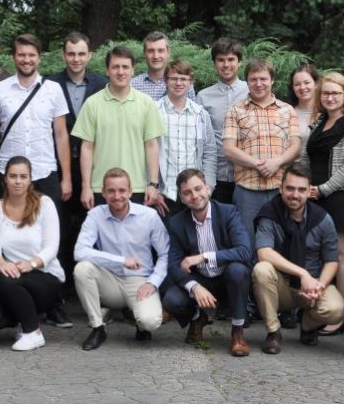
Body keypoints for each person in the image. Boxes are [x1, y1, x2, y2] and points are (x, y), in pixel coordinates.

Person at [0, 157, 66, 350]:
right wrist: (1, 263)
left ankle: (33, 332)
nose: (18, 181)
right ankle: (24, 318)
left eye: (23, 176)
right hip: (11, 276)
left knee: (6, 280)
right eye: (13, 176)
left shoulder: (44, 203)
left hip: (44, 275)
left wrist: (31, 264)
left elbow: (52, 246)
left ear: (30, 179)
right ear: (5, 179)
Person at [300, 71, 344, 334]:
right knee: (316, 252)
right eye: (326, 93)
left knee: (340, 254)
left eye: (335, 93)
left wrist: (323, 189)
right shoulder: (319, 121)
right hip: (314, 196)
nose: (330, 98)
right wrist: (305, 186)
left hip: (339, 196)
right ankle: (317, 306)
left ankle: (340, 315)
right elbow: (308, 158)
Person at [252, 163, 344, 354]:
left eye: (301, 190)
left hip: (312, 287)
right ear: (280, 188)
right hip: (282, 286)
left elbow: (332, 260)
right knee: (261, 270)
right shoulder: (269, 213)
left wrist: (319, 286)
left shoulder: (323, 219)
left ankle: (308, 325)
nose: (295, 194)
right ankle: (273, 332)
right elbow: (264, 252)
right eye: (290, 188)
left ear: (310, 191)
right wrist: (303, 274)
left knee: (336, 309)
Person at [73, 168, 169, 350]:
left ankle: (140, 322)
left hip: (140, 280)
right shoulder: (95, 215)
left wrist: (153, 282)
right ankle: (98, 328)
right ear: (103, 192)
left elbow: (165, 253)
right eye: (111, 191)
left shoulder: (149, 216)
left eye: (122, 190)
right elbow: (79, 252)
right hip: (110, 280)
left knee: (150, 321)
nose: (117, 196)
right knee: (82, 269)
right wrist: (121, 260)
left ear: (131, 192)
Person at [161, 169, 252, 356]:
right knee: (171, 300)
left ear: (207, 188)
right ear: (181, 198)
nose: (194, 196)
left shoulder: (228, 212)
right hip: (201, 279)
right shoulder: (177, 222)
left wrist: (203, 256)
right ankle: (198, 317)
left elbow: (244, 251)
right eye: (187, 192)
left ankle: (238, 331)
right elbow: (173, 264)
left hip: (227, 279)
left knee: (238, 270)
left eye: (198, 189)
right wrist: (194, 287)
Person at [46, 32, 107, 287]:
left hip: (93, 164)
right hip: (58, 164)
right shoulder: (50, 84)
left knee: (89, 224)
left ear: (89, 55)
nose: (76, 59)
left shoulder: (102, 84)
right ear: (63, 55)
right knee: (57, 225)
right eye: (71, 54)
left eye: (81, 54)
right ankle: (59, 285)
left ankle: (86, 282)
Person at [72, 46, 165, 210]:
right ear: (107, 71)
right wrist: (86, 187)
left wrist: (153, 184)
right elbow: (86, 148)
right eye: (115, 67)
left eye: (125, 67)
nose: (120, 72)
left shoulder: (146, 103)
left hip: (136, 187)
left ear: (133, 70)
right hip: (101, 188)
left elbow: (151, 145)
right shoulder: (92, 104)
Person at [223, 58, 301, 241]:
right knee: (247, 243)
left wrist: (277, 162)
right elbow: (228, 149)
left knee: (283, 242)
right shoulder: (235, 110)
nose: (259, 84)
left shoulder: (287, 110)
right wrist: (258, 164)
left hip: (281, 189)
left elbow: (296, 145)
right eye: (253, 79)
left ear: (272, 80)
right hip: (247, 190)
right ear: (247, 82)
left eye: (263, 79)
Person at [0, 34, 71, 205]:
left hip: (45, 172)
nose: (27, 60)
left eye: (32, 55)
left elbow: (61, 135)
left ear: (39, 58)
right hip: (7, 174)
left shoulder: (54, 90)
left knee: (48, 221)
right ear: (14, 57)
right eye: (21, 54)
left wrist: (66, 178)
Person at [156, 59, 217, 215]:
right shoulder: (154, 111)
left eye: (183, 79)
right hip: (164, 194)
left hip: (194, 194)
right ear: (165, 80)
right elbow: (145, 152)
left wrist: (208, 187)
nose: (178, 83)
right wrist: (152, 188)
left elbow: (209, 153)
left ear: (191, 82)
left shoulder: (200, 114)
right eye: (173, 78)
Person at [196, 37, 249, 204]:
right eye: (221, 60)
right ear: (214, 63)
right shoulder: (203, 96)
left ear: (240, 62)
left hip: (247, 176)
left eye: (231, 59)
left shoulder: (251, 91)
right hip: (215, 176)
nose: (226, 65)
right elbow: (201, 139)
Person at [130, 32, 195, 101]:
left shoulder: (184, 85)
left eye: (160, 51)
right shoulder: (132, 85)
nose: (156, 56)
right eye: (151, 51)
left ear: (168, 52)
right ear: (144, 54)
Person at [290, 64, 318, 157]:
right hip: (293, 165)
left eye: (307, 82)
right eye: (297, 84)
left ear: (316, 84)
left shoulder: (327, 112)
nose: (302, 87)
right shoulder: (287, 113)